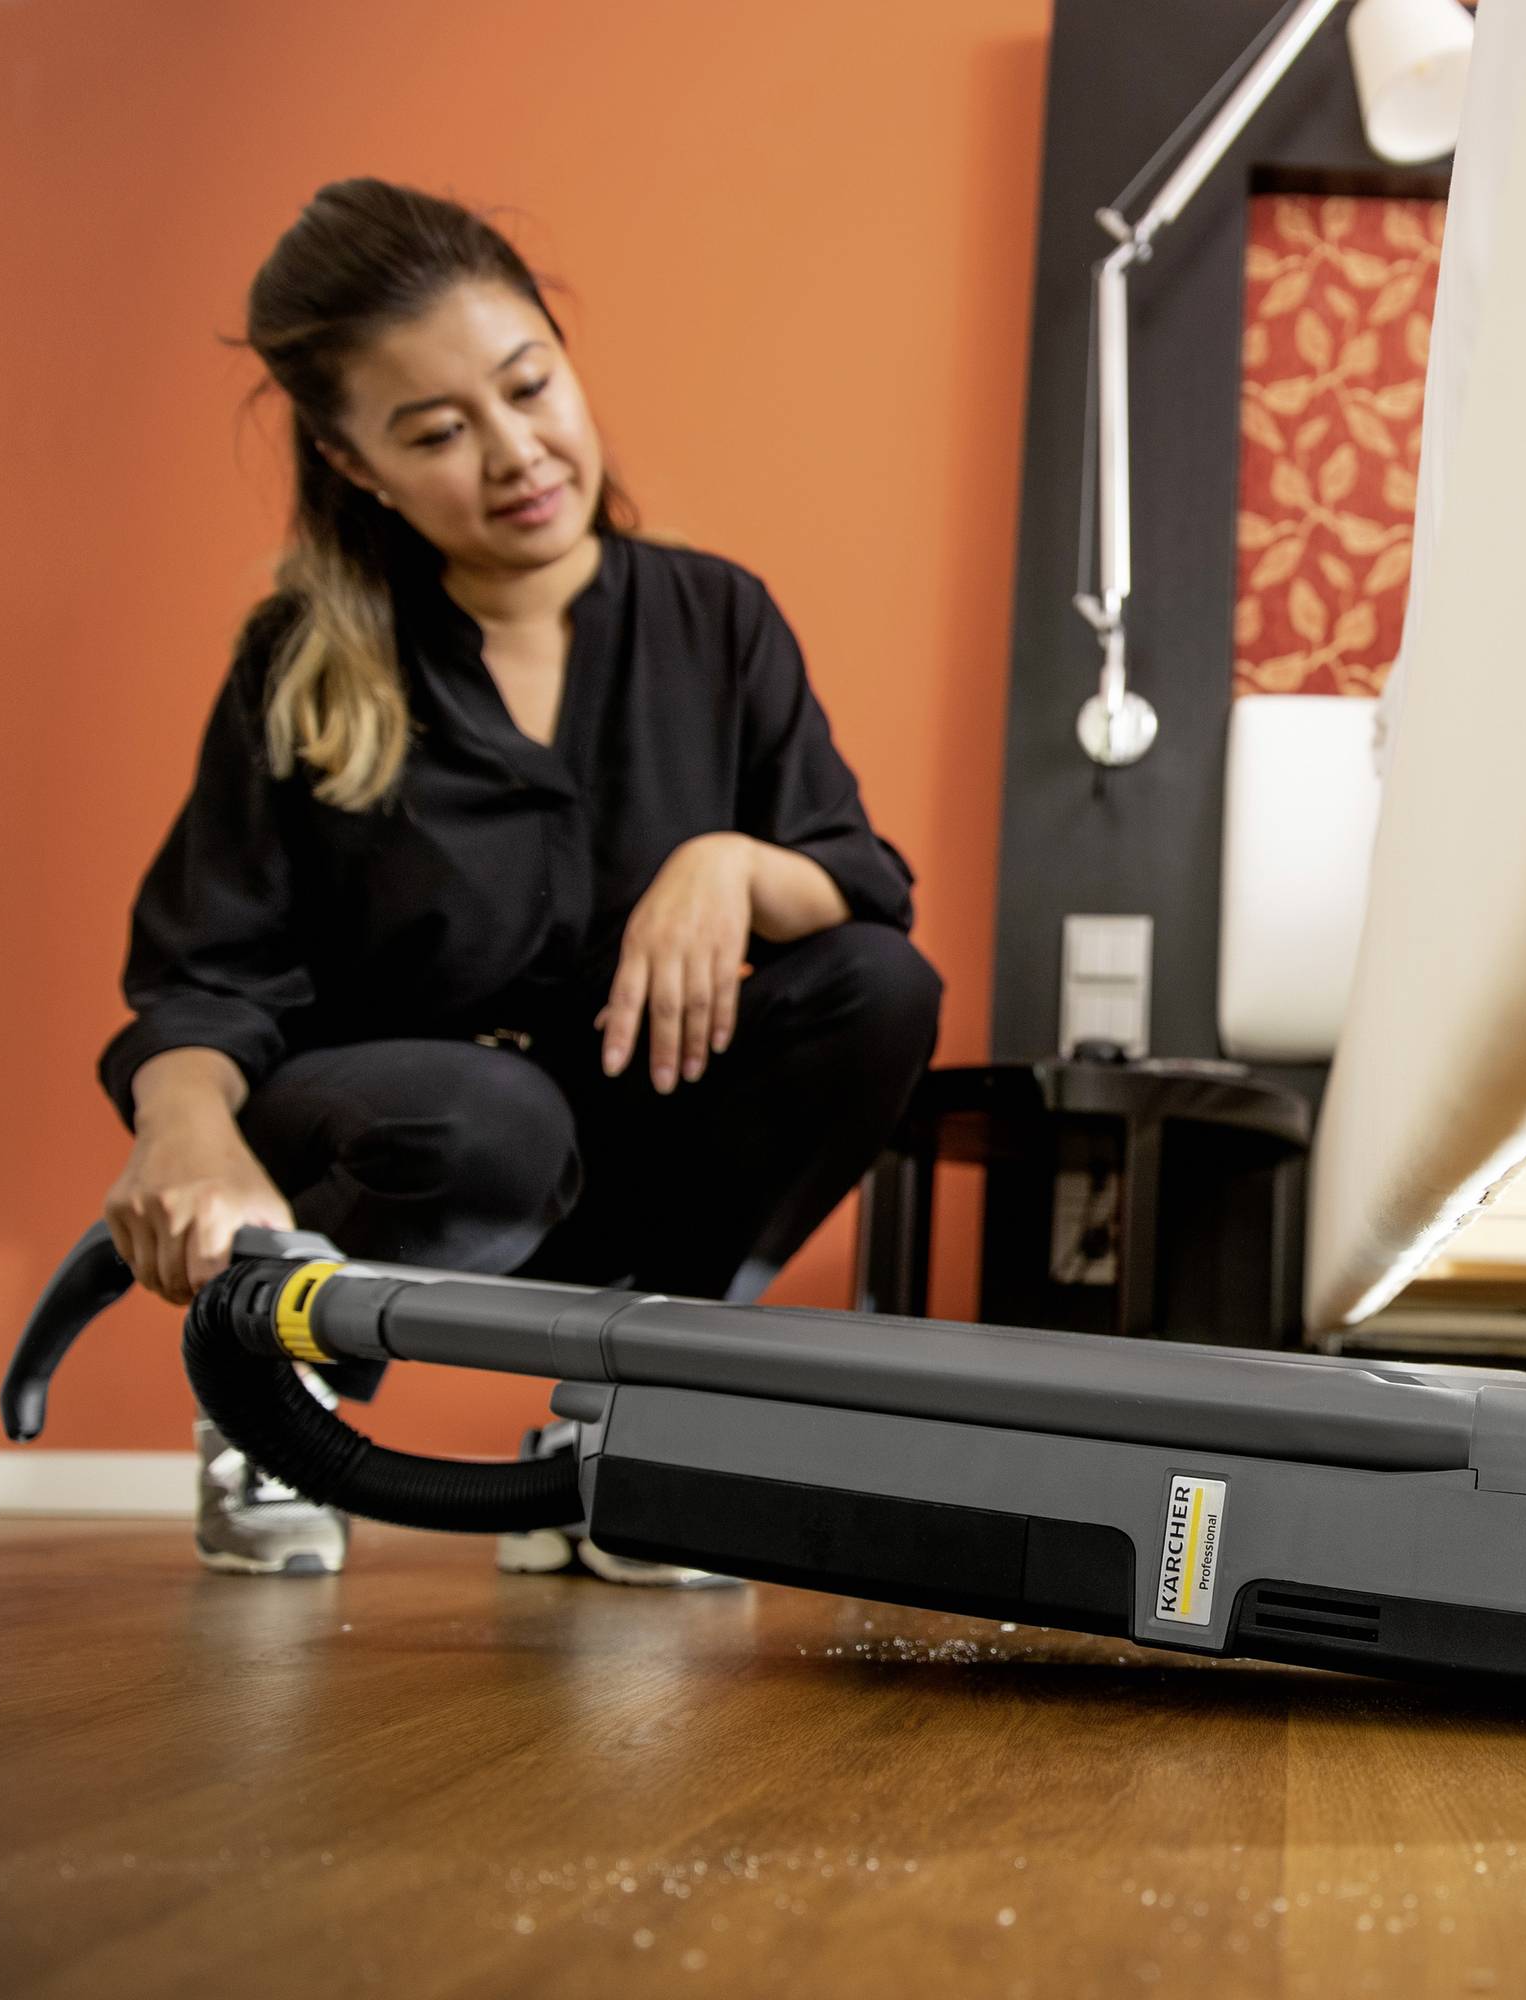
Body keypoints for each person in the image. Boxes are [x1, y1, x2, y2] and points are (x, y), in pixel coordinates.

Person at [98, 180, 940, 1579]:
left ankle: (637, 1413)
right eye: (436, 432)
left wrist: (728, 864)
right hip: (412, 1150)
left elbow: (863, 887)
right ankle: (277, 1411)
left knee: (876, 986)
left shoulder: (715, 618)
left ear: (562, 351)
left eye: (528, 385)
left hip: (627, 1168)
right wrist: (185, 1131)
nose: (515, 453)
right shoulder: (300, 659)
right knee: (493, 1115)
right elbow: (205, 971)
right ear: (354, 463)